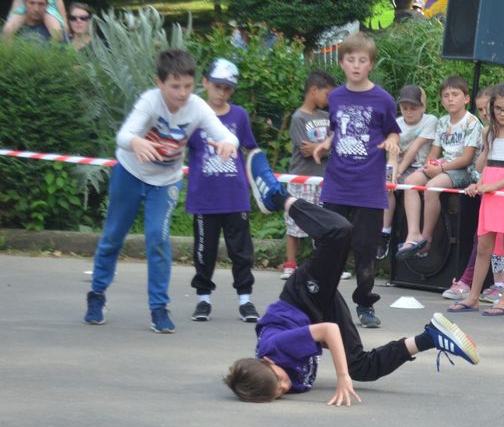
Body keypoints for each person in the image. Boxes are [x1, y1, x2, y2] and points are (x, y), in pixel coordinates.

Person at [224, 179, 479, 405]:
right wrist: (345, 358)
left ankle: (279, 196)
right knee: (362, 367)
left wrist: (342, 376)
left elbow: (328, 330)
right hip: (315, 315)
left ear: (268, 362)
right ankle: (431, 337)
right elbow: (320, 339)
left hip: (301, 297)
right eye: (280, 392)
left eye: (279, 380)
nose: (285, 386)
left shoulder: (276, 347)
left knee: (338, 233)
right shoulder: (274, 381)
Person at [83, 50, 240, 332]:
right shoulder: (150, 101)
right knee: (113, 236)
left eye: (188, 86)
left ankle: (159, 308)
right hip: (130, 173)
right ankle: (97, 294)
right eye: (175, 86)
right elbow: (123, 135)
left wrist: (229, 143)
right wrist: (136, 142)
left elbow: (225, 134)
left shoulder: (197, 107)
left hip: (166, 181)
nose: (182, 93)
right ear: (160, 82)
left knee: (157, 239)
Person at [311, 33, 401, 329]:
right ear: (341, 63)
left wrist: (392, 142)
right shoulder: (335, 97)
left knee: (365, 251)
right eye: (351, 60)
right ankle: (322, 302)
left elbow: (393, 130)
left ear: (371, 64)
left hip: (368, 189)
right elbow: (336, 130)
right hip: (336, 186)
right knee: (329, 248)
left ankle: (365, 304)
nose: (356, 65)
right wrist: (325, 144)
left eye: (362, 60)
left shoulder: (383, 99)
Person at [185, 59, 262, 323]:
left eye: (228, 88)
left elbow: (251, 149)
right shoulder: (193, 116)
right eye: (217, 86)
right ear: (205, 82)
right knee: (204, 251)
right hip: (204, 198)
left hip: (234, 196)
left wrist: (261, 181)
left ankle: (245, 300)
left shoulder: (239, 115)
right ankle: (203, 299)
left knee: (241, 251)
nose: (222, 92)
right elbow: (179, 145)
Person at [447, 83, 504, 317]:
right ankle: (473, 296)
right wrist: (479, 184)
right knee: (484, 244)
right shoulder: (488, 132)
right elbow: (486, 165)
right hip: (491, 193)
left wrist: (494, 186)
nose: (502, 114)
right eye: (498, 109)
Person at [397, 75, 483, 263]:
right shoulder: (443, 121)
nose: (450, 99)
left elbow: (467, 158)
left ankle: (426, 238)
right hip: (444, 166)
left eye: (455, 94)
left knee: (432, 187)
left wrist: (441, 168)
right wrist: (429, 165)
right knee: (410, 182)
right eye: (446, 95)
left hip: (464, 171)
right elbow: (434, 151)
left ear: (466, 98)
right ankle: (413, 234)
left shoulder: (472, 122)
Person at [282, 70, 333, 280]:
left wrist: (320, 147)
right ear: (314, 90)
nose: (329, 99)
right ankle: (290, 264)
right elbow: (306, 150)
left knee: (322, 221)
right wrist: (324, 147)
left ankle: (323, 264)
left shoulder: (326, 117)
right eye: (327, 94)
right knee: (294, 220)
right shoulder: (298, 118)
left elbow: (330, 145)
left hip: (323, 178)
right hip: (301, 178)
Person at [380, 85, 438, 260]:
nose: (409, 112)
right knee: (386, 186)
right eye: (405, 108)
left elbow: (415, 148)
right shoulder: (396, 124)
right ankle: (385, 231)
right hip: (398, 165)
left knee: (405, 182)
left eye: (413, 108)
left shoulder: (430, 120)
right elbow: (393, 154)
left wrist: (399, 172)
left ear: (422, 107)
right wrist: (392, 175)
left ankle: (413, 234)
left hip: (419, 167)